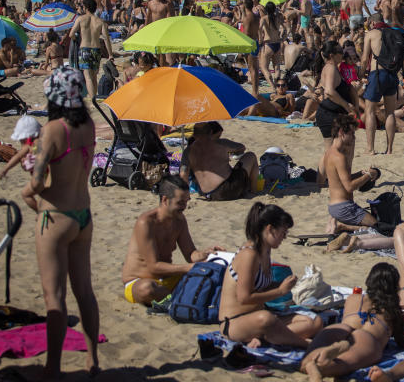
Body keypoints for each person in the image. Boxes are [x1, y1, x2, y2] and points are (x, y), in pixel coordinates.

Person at [19, 67, 100, 378]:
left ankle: (52, 367)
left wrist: (27, 189)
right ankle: (93, 360)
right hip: (83, 215)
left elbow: (39, 183)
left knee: (54, 296)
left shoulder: (53, 128)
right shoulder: (89, 125)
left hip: (56, 216)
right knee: (85, 292)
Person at [218, 203, 323, 348]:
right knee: (266, 319)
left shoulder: (265, 251)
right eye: (283, 232)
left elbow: (261, 287)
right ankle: (303, 343)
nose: (284, 237)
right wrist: (280, 291)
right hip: (235, 322)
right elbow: (244, 298)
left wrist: (286, 285)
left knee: (314, 322)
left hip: (258, 315)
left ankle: (266, 339)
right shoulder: (249, 255)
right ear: (270, 229)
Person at [120, 175, 223, 305]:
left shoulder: (179, 220)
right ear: (165, 200)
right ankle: (182, 298)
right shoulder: (146, 222)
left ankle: (177, 298)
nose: (184, 207)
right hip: (139, 280)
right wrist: (189, 268)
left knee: (209, 277)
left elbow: (190, 254)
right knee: (146, 289)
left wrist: (205, 255)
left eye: (186, 202)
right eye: (180, 202)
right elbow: (153, 267)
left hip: (167, 279)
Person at [300, 262, 404, 382]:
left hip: (342, 328)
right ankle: (321, 366)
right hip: (366, 338)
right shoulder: (392, 310)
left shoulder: (353, 298)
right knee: (344, 364)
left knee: (305, 362)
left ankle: (314, 361)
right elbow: (403, 342)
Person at [323, 114, 380, 233]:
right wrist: (368, 176)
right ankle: (343, 227)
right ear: (341, 132)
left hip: (334, 207)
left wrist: (360, 173)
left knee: (374, 223)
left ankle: (339, 223)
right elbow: (349, 187)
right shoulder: (339, 157)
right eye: (352, 134)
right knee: (378, 227)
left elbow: (339, 180)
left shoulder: (329, 153)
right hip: (344, 207)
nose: (354, 138)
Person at [361, 10, 404, 154]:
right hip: (392, 74)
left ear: (373, 23)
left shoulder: (371, 34)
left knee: (369, 112)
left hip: (376, 74)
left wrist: (360, 74)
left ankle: (370, 148)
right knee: (390, 113)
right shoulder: (393, 33)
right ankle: (390, 149)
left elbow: (364, 59)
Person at [181, 121, 260, 201]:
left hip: (207, 194)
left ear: (194, 134)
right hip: (228, 189)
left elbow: (183, 174)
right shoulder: (220, 143)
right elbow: (241, 147)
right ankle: (253, 191)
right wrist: (230, 152)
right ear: (211, 132)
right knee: (251, 156)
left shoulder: (187, 151)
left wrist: (186, 195)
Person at [66, 0, 113, 103]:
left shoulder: (80, 19)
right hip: (96, 50)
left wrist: (77, 40)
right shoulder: (100, 21)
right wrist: (110, 54)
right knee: (94, 76)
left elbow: (71, 34)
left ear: (86, 7)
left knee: (87, 77)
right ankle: (94, 97)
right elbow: (106, 39)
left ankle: (92, 100)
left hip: (84, 49)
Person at [316, 40, 359, 148]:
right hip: (329, 114)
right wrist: (346, 105)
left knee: (333, 151)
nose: (343, 53)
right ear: (332, 55)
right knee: (333, 151)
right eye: (340, 51)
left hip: (331, 113)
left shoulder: (333, 67)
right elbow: (329, 91)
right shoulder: (330, 68)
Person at [0, 114, 42, 179]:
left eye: (21, 140)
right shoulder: (32, 144)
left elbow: (18, 156)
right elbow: (18, 156)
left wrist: (5, 169)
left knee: (33, 186)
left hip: (43, 176)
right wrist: (5, 169)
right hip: (42, 175)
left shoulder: (33, 145)